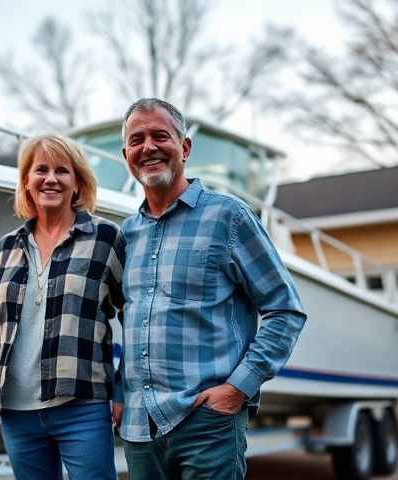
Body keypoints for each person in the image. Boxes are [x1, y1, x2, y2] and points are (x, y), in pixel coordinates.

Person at [112, 98, 307, 479]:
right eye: (137, 140)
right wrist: (120, 392)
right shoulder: (126, 235)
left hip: (207, 425)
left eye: (160, 136)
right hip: (139, 429)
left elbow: (286, 310)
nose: (148, 147)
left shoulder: (228, 217)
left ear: (184, 148)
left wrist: (237, 389)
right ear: (126, 155)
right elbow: (129, 320)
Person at [0, 133, 124, 480]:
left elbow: (134, 320)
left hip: (83, 407)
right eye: (40, 170)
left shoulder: (106, 239)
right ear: (26, 181)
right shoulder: (5, 248)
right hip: (16, 411)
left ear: (77, 182)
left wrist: (123, 389)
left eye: (62, 170)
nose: (50, 178)